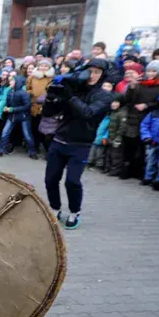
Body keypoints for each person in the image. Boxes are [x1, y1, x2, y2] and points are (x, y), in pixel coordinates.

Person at [42, 59, 112, 229]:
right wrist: (51, 97)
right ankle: (55, 208)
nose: (92, 75)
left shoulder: (103, 96)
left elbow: (88, 113)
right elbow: (48, 113)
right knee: (51, 179)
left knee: (72, 181)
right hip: (59, 140)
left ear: (102, 75)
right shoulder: (74, 89)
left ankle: (74, 212)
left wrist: (70, 97)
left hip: (81, 145)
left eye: (97, 72)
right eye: (90, 71)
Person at [120, 60, 159, 179]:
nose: (150, 73)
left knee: (145, 147)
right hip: (135, 116)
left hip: (153, 117)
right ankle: (128, 170)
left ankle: (142, 173)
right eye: (149, 71)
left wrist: (147, 105)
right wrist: (132, 87)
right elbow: (128, 100)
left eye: (154, 71)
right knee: (131, 144)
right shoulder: (141, 83)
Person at [0, 76, 36, 157]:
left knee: (27, 135)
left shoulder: (24, 93)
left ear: (18, 83)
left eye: (12, 81)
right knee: (5, 133)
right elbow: (8, 103)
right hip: (12, 116)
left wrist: (12, 109)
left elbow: (27, 106)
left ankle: (32, 151)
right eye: (10, 81)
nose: (10, 83)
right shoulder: (10, 91)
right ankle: (0, 150)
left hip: (24, 117)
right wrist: (6, 107)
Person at [27, 59, 55, 154]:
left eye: (45, 66)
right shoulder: (32, 77)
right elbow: (27, 88)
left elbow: (53, 91)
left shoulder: (51, 78)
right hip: (33, 105)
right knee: (34, 127)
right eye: (41, 65)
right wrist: (32, 93)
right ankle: (35, 147)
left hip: (46, 106)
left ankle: (47, 149)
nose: (43, 67)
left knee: (45, 129)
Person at [140, 90, 159, 190]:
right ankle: (148, 177)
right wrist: (146, 136)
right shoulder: (154, 113)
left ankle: (158, 180)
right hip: (153, 141)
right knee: (150, 160)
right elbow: (145, 125)